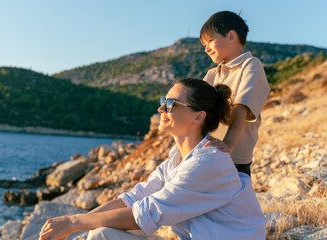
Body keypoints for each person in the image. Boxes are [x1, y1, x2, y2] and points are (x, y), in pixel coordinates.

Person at [39, 78, 266, 240]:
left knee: (101, 235)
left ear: (198, 116)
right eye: (163, 100)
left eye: (170, 104)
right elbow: (132, 199)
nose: (160, 108)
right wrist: (71, 225)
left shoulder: (208, 163)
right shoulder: (177, 160)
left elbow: (146, 214)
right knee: (101, 234)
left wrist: (73, 222)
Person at [200, 11, 270, 176]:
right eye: (203, 45)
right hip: (209, 151)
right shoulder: (211, 74)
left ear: (231, 36)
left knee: (235, 200)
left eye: (210, 41)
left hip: (234, 157)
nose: (206, 49)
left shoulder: (251, 65)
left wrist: (228, 145)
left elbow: (240, 108)